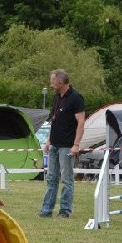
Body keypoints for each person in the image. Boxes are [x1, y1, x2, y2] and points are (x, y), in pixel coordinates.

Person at [39, 70, 85, 219]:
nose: (51, 84)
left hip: (67, 146)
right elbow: (54, 120)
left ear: (60, 82)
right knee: (51, 178)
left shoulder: (76, 98)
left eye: (52, 81)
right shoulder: (56, 97)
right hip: (54, 145)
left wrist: (76, 145)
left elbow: (81, 122)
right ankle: (46, 210)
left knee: (66, 179)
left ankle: (65, 211)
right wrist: (48, 141)